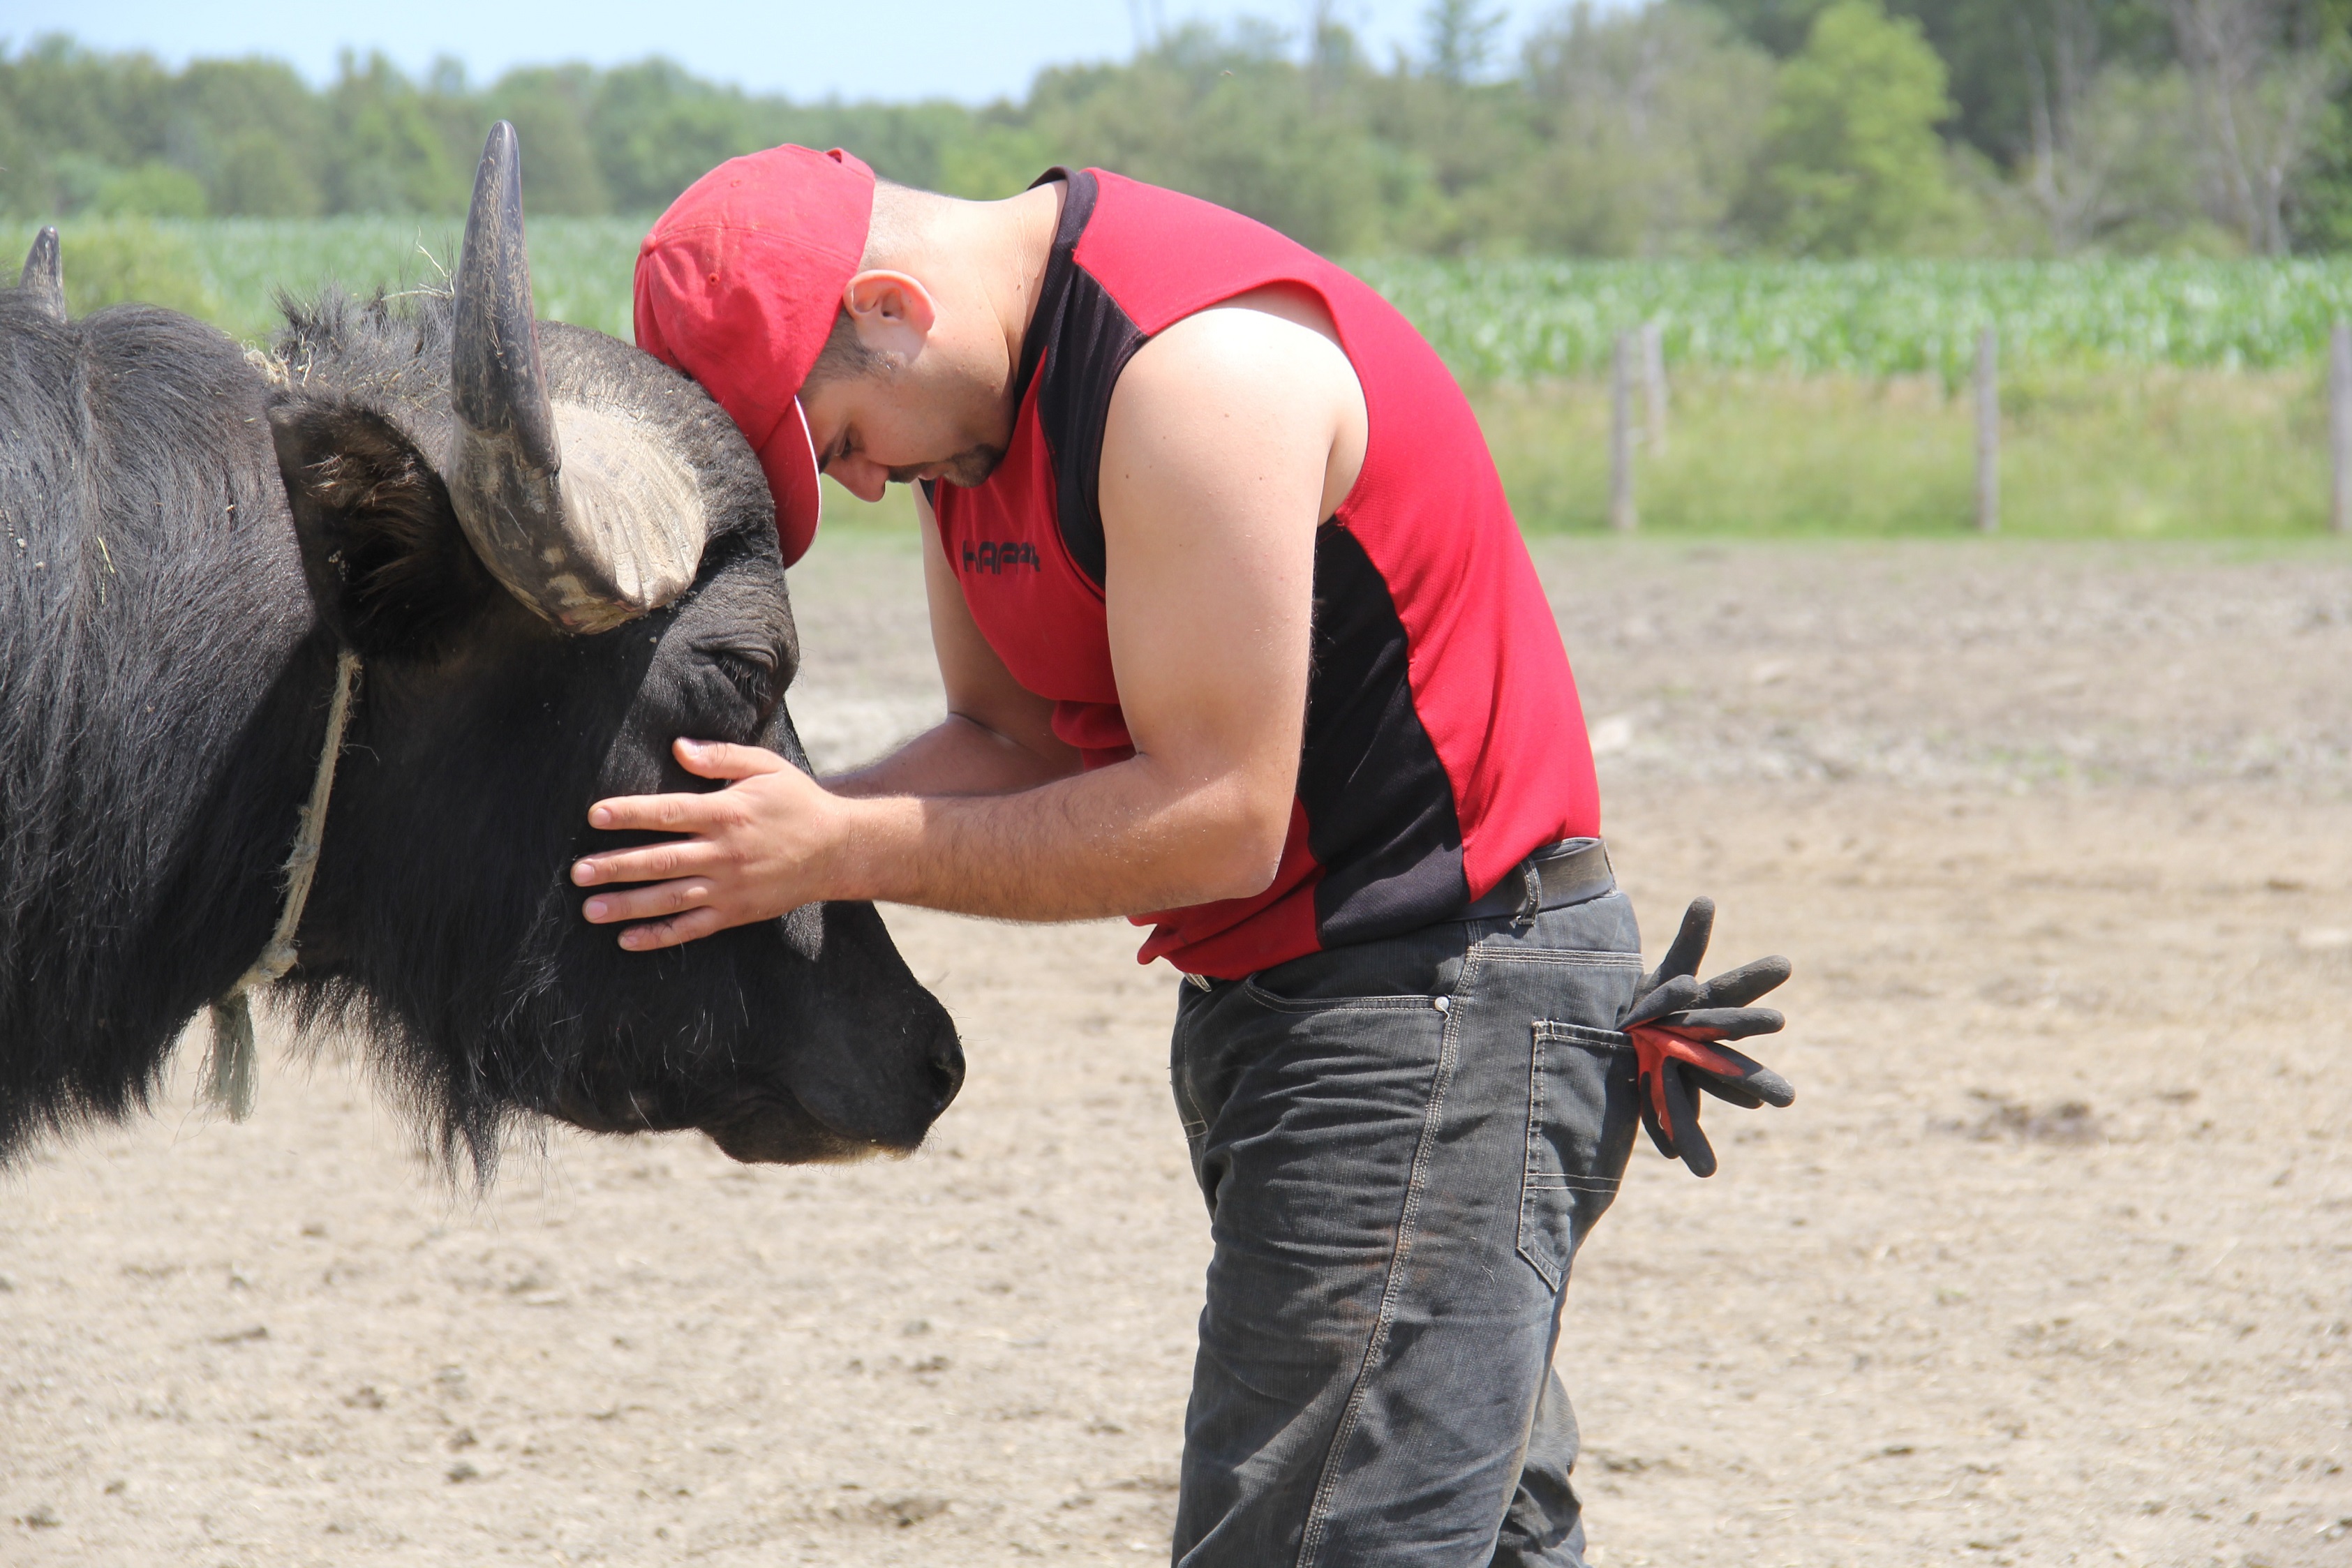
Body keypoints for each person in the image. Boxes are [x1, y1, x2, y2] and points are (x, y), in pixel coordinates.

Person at [573, 144, 1792, 1567]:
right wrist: (779, 827)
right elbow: (1010, 737)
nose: (857, 484)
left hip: (1437, 1012)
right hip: (1313, 1021)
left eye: (835, 438)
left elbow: (1218, 818)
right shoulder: (967, 428)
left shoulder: (1189, 375)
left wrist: (834, 846)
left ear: (891, 309)